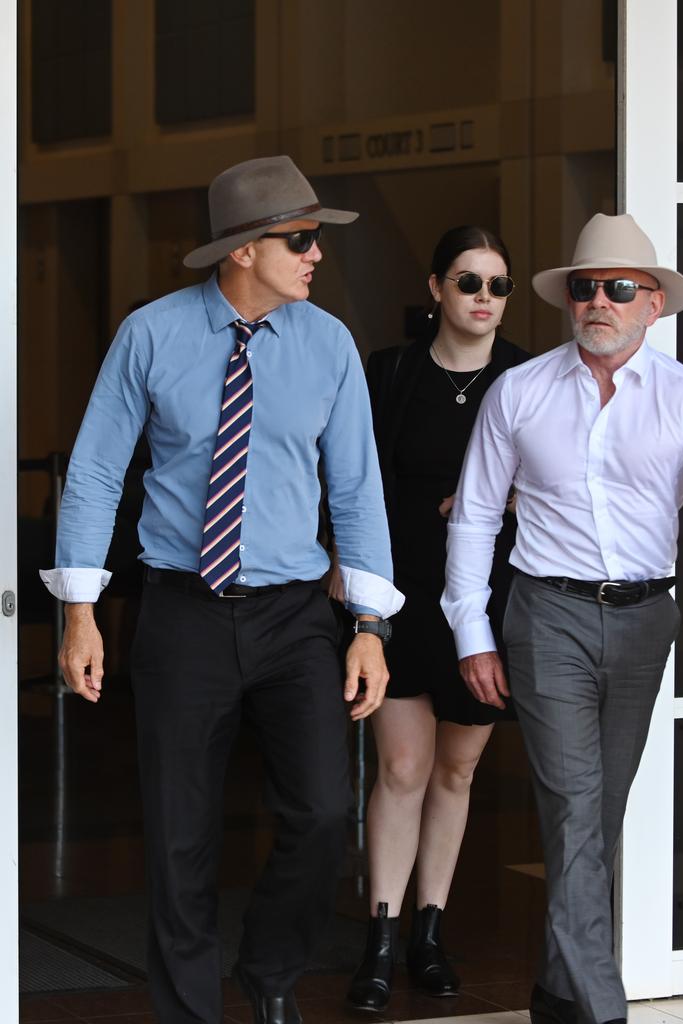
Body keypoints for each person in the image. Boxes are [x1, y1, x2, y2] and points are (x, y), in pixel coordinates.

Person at [40, 155, 404, 1024]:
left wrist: (369, 626)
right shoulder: (153, 335)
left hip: (295, 618)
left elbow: (356, 489)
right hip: (181, 612)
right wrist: (80, 612)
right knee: (178, 840)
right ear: (243, 250)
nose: (317, 256)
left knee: (321, 814)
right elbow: (94, 473)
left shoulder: (329, 345)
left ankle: (272, 968)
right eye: (301, 240)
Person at [441, 213, 683, 1024]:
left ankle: (558, 991)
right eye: (585, 288)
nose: (599, 302)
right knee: (575, 803)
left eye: (619, 290)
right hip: (544, 613)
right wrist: (472, 631)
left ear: (654, 305)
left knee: (595, 812)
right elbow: (476, 517)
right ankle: (602, 1008)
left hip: (643, 621)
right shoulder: (518, 392)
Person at [344, 226, 529, 1012]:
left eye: (496, 285)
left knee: (456, 771)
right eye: (468, 282)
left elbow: (570, 475)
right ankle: (380, 940)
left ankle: (429, 933)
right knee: (402, 769)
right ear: (436, 289)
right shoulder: (391, 374)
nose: (483, 298)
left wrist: (507, 500)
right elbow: (352, 479)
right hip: (401, 595)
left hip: (487, 602)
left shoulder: (527, 378)